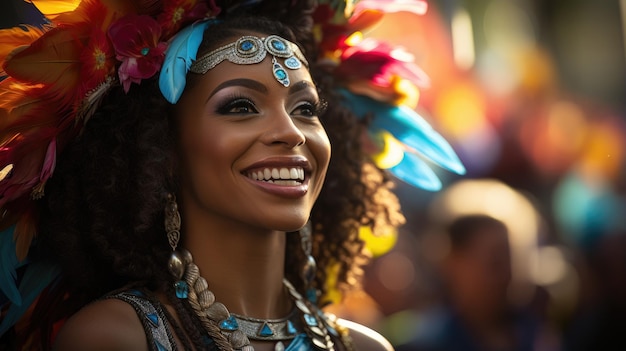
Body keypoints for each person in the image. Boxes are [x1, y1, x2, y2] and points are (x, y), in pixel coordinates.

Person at [0, 0, 463, 350]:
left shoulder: (362, 347)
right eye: (241, 106)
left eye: (305, 108)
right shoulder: (117, 338)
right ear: (164, 148)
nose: (290, 132)